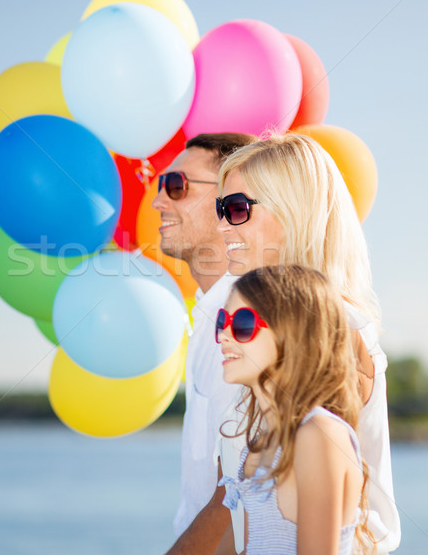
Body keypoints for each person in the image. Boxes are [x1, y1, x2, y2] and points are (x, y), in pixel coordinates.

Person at [214, 134, 399, 554]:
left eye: (238, 208)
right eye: (221, 209)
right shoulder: (266, 330)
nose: (223, 225)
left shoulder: (338, 331)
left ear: (293, 212)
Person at [216, 264, 374, 555]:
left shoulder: (319, 435)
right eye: (221, 320)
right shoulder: (259, 448)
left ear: (293, 336)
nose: (224, 335)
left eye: (242, 324)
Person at [152, 133, 258, 549]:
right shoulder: (208, 314)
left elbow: (237, 492)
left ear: (229, 200)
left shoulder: (244, 320)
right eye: (161, 186)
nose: (160, 202)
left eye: (176, 186)